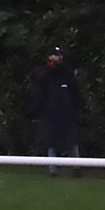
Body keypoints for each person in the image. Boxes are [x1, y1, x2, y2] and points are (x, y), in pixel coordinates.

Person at [34, 46, 83, 176]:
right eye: (55, 55)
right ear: (50, 57)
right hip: (50, 115)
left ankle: (76, 167)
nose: (58, 57)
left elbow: (75, 93)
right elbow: (40, 96)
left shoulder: (68, 74)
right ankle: (52, 169)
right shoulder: (44, 76)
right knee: (51, 142)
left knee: (72, 140)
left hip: (68, 114)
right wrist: (42, 111)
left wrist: (75, 110)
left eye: (59, 55)